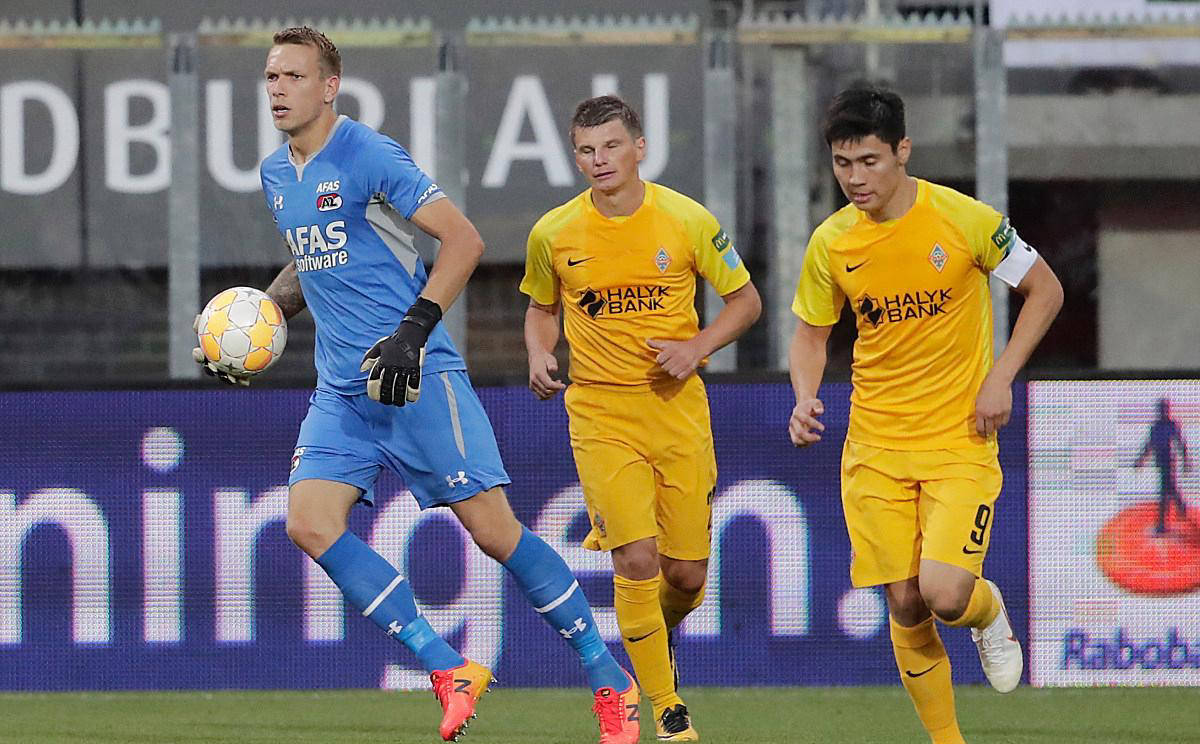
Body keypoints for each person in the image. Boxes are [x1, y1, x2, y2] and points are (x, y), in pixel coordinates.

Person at [193, 27, 639, 744]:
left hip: (414, 375)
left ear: (329, 87)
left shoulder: (368, 154)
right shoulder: (277, 174)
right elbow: (314, 262)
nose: (277, 89)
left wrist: (413, 332)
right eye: (271, 77)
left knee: (494, 532)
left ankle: (608, 675)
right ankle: (446, 666)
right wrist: (254, 323)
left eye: (294, 77)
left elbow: (464, 240)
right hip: (342, 390)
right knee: (308, 521)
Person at [788, 85, 1063, 744]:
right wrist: (803, 396)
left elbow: (1045, 289)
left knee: (945, 594)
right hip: (875, 449)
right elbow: (810, 335)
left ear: (902, 151)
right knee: (906, 601)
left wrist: (1000, 377)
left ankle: (987, 611)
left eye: (869, 161)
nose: (855, 178)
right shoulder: (832, 243)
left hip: (959, 441)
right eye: (842, 163)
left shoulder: (964, 219)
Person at [521, 94, 762, 742]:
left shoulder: (686, 220)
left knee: (685, 576)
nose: (599, 160)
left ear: (639, 149)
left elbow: (746, 302)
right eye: (586, 150)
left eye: (611, 146)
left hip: (677, 411)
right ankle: (665, 706)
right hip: (600, 413)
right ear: (576, 157)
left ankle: (655, 638)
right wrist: (540, 352)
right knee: (634, 557)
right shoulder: (553, 233)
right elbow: (541, 308)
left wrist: (697, 347)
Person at [1135, 398, 1192, 534]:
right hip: (1160, 463)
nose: (1163, 412)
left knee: (1164, 492)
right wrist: (1141, 460)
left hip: (1169, 462)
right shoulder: (1155, 427)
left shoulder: (1172, 425)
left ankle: (1162, 524)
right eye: (1161, 409)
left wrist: (1186, 462)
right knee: (1170, 488)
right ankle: (1180, 506)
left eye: (1165, 409)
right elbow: (1149, 444)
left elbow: (1181, 444)